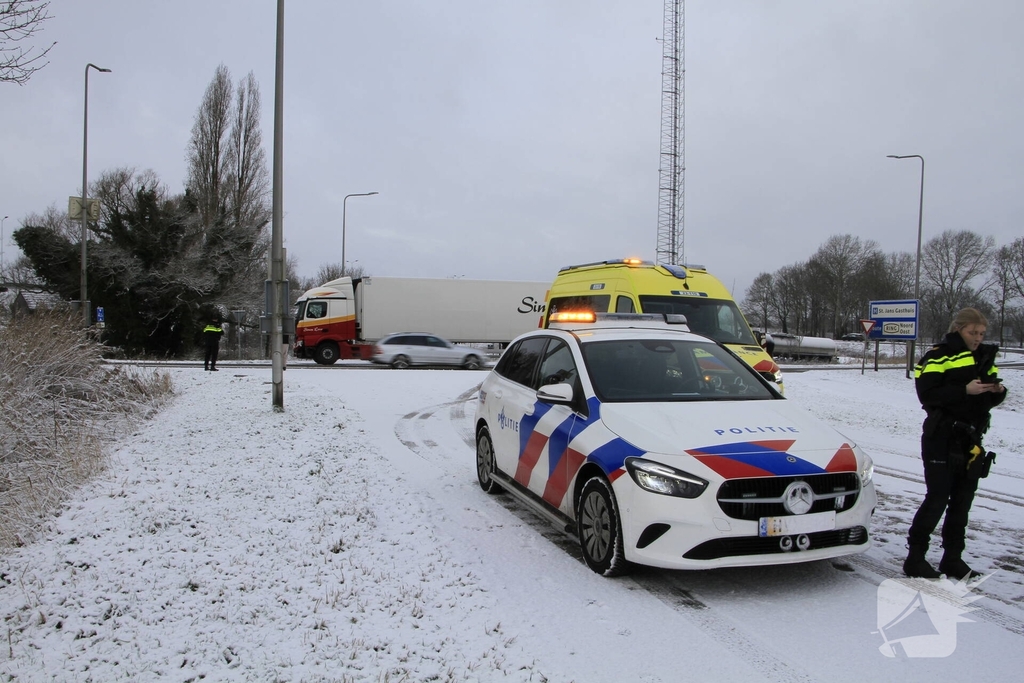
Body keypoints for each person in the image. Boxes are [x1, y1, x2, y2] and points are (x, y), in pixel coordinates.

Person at [904, 308, 1007, 579]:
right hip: (941, 437)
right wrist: (964, 390)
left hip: (970, 440)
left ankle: (952, 558)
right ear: (958, 329)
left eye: (982, 333)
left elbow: (985, 400)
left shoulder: (985, 357)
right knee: (937, 498)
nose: (977, 337)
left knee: (962, 501)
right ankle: (915, 558)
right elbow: (927, 395)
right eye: (973, 332)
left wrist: (997, 392)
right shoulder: (938, 355)